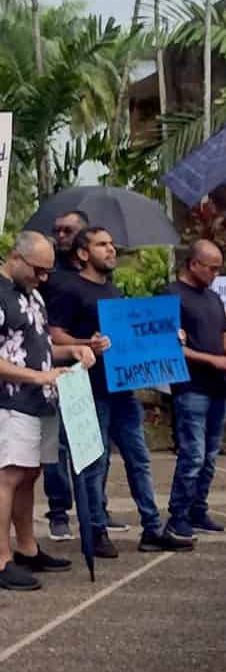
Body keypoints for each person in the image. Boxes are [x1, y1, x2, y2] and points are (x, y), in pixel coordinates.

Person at [45, 226, 190, 558]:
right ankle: (95, 530)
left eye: (111, 244)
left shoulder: (112, 291)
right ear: (83, 253)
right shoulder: (69, 289)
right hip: (91, 389)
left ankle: (152, 528)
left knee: (139, 459)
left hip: (122, 389)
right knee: (95, 464)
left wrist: (168, 337)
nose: (111, 250)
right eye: (102, 244)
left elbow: (133, 335)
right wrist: (86, 344)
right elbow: (54, 335)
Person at [0, 231, 94, 591]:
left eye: (48, 272)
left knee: (30, 473)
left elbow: (37, 344)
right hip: (12, 400)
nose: (43, 278)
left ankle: (26, 546)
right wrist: (38, 376)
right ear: (15, 258)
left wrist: (73, 352)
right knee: (8, 476)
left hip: (42, 399)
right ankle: (2, 557)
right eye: (38, 270)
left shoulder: (33, 295)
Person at [166, 240, 226, 542]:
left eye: (218, 268)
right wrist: (216, 361)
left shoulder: (213, 298)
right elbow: (172, 346)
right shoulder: (171, 296)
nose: (215, 273)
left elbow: (225, 337)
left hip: (217, 388)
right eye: (211, 267)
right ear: (193, 264)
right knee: (193, 454)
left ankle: (198, 508)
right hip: (191, 386)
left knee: (210, 455)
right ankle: (178, 514)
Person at [42, 206, 90, 538]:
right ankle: (59, 512)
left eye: (68, 231)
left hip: (92, 375)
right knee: (57, 447)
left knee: (89, 444)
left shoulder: (97, 274)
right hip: (56, 371)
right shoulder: (50, 274)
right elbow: (49, 330)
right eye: (57, 230)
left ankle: (93, 509)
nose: (60, 236)